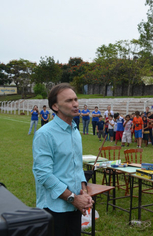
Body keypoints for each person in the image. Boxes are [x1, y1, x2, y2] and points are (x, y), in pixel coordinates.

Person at [32, 83, 93, 235]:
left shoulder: (74, 131)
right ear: (55, 106)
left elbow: (77, 168)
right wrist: (73, 198)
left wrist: (84, 193)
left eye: (76, 99)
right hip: (54, 208)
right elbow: (44, 175)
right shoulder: (45, 134)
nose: (75, 104)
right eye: (69, 101)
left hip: (74, 206)